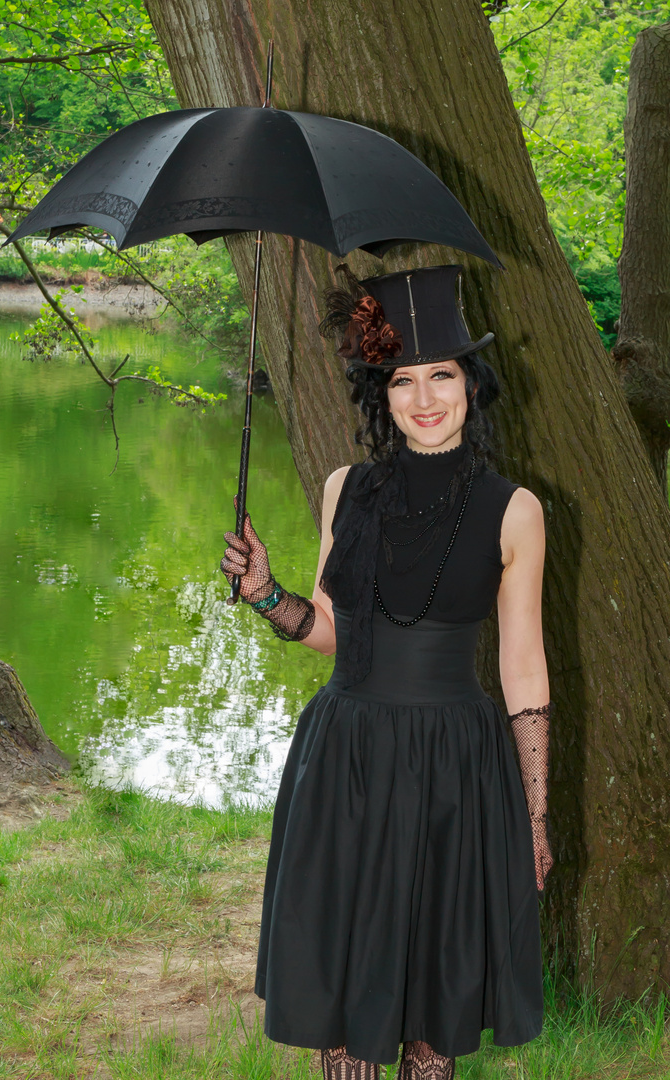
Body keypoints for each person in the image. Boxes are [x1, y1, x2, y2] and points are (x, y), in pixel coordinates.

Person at [221, 264, 554, 1080]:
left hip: (453, 766)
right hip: (348, 760)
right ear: (383, 392)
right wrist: (267, 596)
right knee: (346, 997)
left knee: (432, 1011)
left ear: (471, 384)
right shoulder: (348, 489)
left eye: (441, 374)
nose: (424, 398)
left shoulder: (514, 509)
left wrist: (535, 819)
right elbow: (334, 631)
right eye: (402, 380)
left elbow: (522, 667)